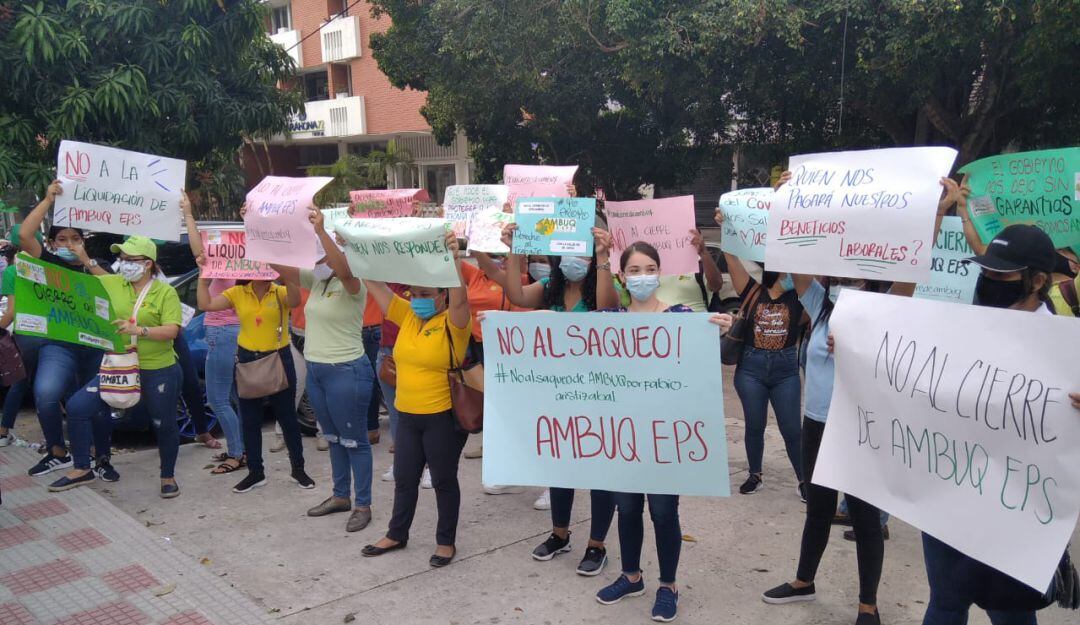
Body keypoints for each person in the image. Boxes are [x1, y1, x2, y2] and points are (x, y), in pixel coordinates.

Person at [761, 177, 963, 625]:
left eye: (858, 266)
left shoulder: (888, 306)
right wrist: (786, 204)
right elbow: (795, 261)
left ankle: (867, 605)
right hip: (817, 421)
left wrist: (937, 213)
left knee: (867, 517)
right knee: (817, 507)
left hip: (863, 425)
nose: (848, 272)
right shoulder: (819, 305)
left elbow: (912, 268)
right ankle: (803, 581)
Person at [920, 224, 1080, 625]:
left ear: (1038, 281)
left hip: (1018, 505)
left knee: (1009, 608)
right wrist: (852, 346)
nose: (988, 282)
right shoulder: (963, 326)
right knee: (946, 601)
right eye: (986, 272)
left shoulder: (1068, 348)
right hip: (950, 489)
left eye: (1000, 275)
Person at [591, 241, 728, 622]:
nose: (642, 276)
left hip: (665, 437)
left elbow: (703, 349)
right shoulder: (612, 320)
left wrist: (720, 325)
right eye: (634, 270)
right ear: (622, 276)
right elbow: (560, 327)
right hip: (625, 435)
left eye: (650, 267)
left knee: (664, 512)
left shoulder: (683, 317)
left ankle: (668, 586)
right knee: (628, 508)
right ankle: (631, 576)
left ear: (661, 272)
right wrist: (503, 324)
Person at [499, 222, 620, 576]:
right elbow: (517, 297)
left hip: (599, 394)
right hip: (558, 394)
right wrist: (513, 251)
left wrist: (602, 258)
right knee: (560, 465)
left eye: (583, 251)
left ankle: (597, 545)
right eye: (570, 251)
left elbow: (610, 307)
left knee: (600, 469)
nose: (575, 259)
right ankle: (560, 534)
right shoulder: (550, 288)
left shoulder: (600, 289)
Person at [360, 230, 471, 567]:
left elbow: (462, 300)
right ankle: (397, 533)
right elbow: (374, 286)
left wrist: (453, 260)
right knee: (405, 478)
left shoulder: (454, 323)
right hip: (406, 416)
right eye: (415, 293)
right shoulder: (407, 314)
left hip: (441, 418)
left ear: (442, 296)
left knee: (443, 480)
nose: (418, 298)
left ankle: (445, 542)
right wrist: (356, 248)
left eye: (426, 293)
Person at [46, 237, 184, 497]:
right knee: (77, 406)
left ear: (147, 264)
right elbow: (96, 273)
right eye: (122, 259)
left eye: (130, 260)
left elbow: (172, 330)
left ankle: (168, 476)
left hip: (158, 368)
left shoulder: (165, 292)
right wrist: (83, 256)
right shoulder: (115, 283)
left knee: (162, 423)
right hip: (119, 365)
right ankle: (82, 468)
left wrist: (139, 330)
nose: (123, 264)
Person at [196, 216, 314, 494]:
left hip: (278, 357)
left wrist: (284, 271)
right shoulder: (238, 292)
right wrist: (204, 275)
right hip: (248, 359)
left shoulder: (280, 291)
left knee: (286, 418)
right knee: (250, 420)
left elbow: (296, 301)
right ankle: (255, 472)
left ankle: (298, 469)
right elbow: (206, 304)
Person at [278, 210, 375, 532]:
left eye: (325, 255)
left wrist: (322, 231)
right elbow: (280, 269)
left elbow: (344, 268)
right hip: (318, 370)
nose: (320, 260)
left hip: (347, 370)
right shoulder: (317, 282)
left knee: (354, 441)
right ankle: (339, 495)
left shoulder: (354, 282)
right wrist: (260, 231)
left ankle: (362, 504)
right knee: (333, 438)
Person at [18, 181, 114, 478]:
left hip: (94, 347)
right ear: (52, 243)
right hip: (58, 345)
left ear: (83, 241)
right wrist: (48, 200)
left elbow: (115, 290)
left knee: (97, 402)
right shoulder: (46, 262)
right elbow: (23, 234)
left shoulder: (97, 266)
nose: (69, 243)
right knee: (46, 394)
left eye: (75, 238)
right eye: (63, 238)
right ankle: (57, 452)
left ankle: (102, 459)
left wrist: (87, 260)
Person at [712, 211, 805, 498]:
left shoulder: (802, 297)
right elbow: (731, 259)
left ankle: (805, 481)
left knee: (792, 430)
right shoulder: (752, 291)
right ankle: (755, 475)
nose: (792, 273)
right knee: (754, 425)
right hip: (750, 370)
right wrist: (727, 227)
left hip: (785, 372)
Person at [181, 195, 245, 474]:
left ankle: (238, 452)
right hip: (233, 330)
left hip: (222, 330)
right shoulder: (241, 260)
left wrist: (189, 215)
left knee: (218, 398)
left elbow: (201, 254)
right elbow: (199, 250)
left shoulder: (233, 261)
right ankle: (241, 448)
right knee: (231, 397)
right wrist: (188, 214)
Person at [1, 225, 47, 446]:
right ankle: (56, 442)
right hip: (53, 333)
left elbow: (11, 312)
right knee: (53, 386)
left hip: (26, 334)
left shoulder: (12, 270)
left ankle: (3, 432)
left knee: (20, 382)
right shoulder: (48, 265)